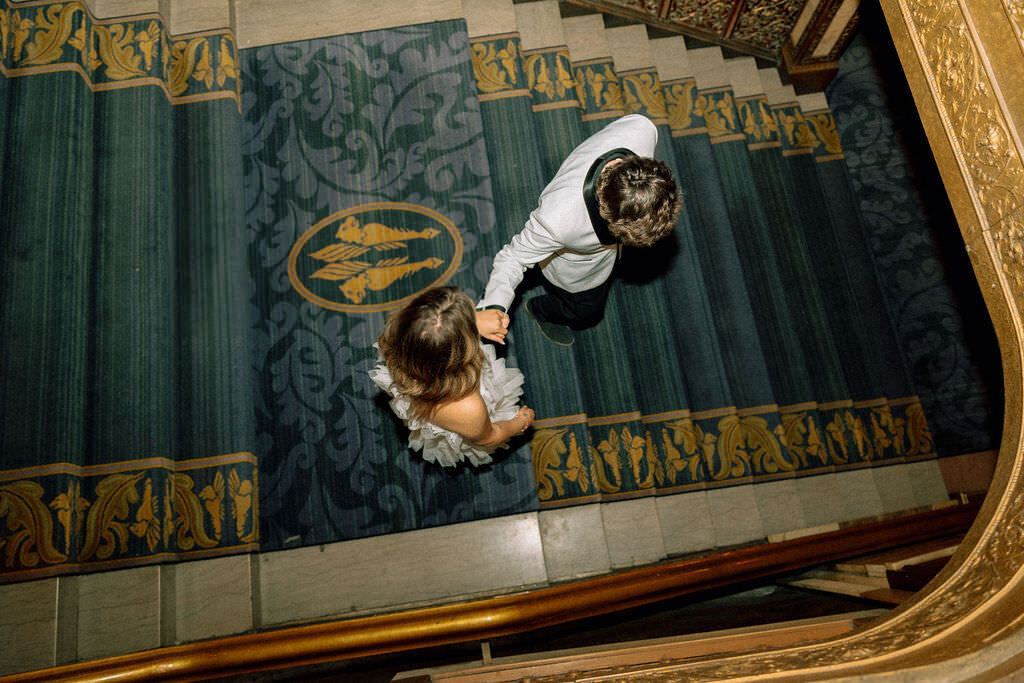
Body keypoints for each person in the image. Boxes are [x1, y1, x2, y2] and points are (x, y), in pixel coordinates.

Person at [477, 113, 683, 346]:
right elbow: (513, 257)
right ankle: (540, 310)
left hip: (603, 241)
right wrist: (494, 305)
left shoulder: (641, 129)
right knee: (584, 312)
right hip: (578, 270)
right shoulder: (557, 219)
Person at [370, 286, 535, 467]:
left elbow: (436, 327)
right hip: (463, 417)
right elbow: (487, 437)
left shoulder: (405, 334)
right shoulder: (467, 407)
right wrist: (520, 422)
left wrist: (471, 322)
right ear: (458, 356)